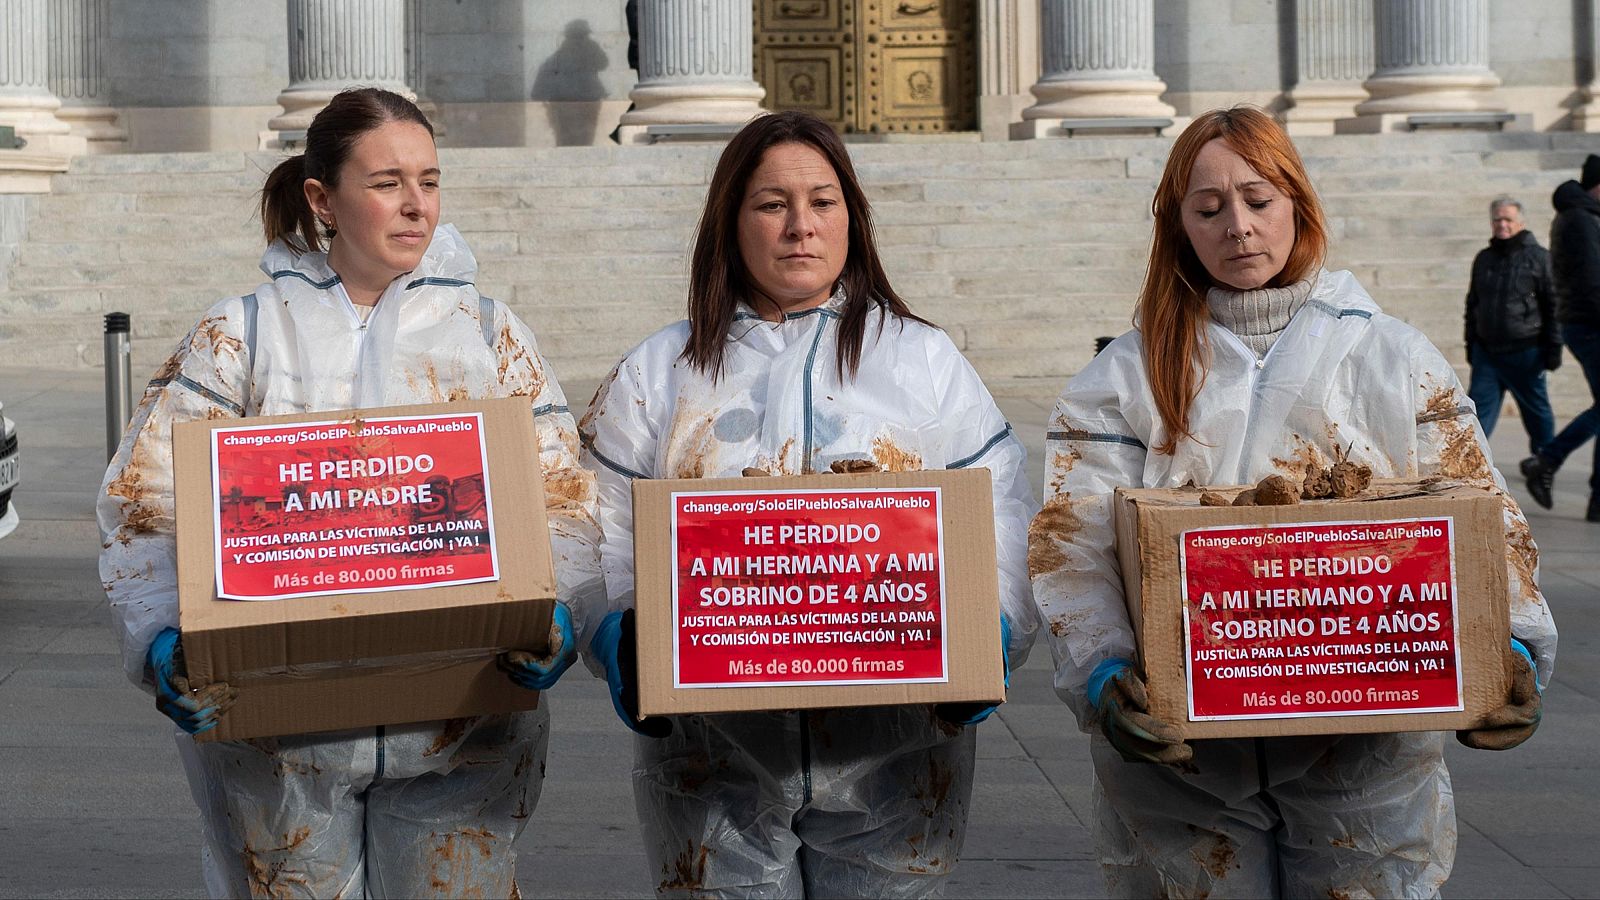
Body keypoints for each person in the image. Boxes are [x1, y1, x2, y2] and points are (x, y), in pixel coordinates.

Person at [1029, 106, 1558, 898]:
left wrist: (1509, 645)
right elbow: (1075, 541)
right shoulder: (1124, 377)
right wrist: (1103, 668)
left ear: (1298, 204)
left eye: (1258, 200)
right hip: (1186, 758)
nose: (1237, 227)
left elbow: (1483, 513)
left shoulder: (1393, 356)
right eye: (1208, 210)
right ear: (1178, 225)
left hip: (1367, 745)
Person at [98, 88, 603, 898]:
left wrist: (563, 609)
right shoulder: (244, 334)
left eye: (429, 181)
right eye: (387, 183)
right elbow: (144, 504)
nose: (416, 206)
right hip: (281, 741)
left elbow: (563, 494)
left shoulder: (487, 331)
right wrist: (162, 634)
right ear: (321, 199)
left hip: (464, 728)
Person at [577, 110, 1039, 897]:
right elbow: (600, 524)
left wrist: (990, 625)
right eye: (771, 204)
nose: (800, 227)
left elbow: (1001, 509)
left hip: (894, 747)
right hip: (710, 752)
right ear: (729, 220)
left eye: (823, 202)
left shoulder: (922, 359)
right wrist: (614, 626)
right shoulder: (661, 370)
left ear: (852, 217)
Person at [1522, 154, 1600, 521]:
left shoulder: (1583, 216)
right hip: (1590, 324)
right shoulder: (1581, 220)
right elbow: (1591, 282)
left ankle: (1597, 497)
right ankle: (1547, 459)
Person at [1464, 197, 1559, 452]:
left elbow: (1554, 305)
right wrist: (1471, 344)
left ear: (1521, 222)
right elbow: (1473, 303)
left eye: (1508, 219)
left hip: (1526, 353)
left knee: (1538, 415)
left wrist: (1553, 349)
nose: (1502, 224)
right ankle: (1473, 463)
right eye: (1497, 219)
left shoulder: (1539, 257)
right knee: (1476, 415)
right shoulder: (1484, 258)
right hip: (1487, 355)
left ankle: (1543, 462)